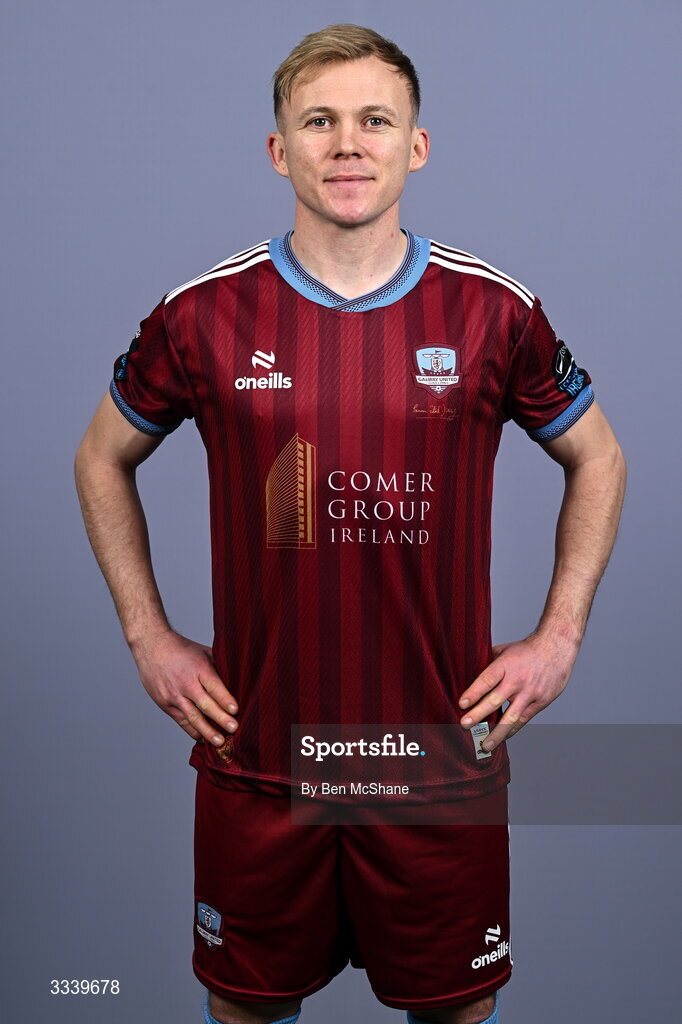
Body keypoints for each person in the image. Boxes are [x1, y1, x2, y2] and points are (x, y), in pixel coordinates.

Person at [74, 23, 626, 1024]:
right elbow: (99, 456)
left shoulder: (491, 312)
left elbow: (599, 456)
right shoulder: (202, 315)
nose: (346, 144)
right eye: (318, 121)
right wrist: (147, 636)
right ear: (278, 150)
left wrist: (559, 637)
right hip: (261, 758)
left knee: (454, 1010)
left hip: (432, 763)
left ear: (415, 144)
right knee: (244, 1009)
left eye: (374, 120)